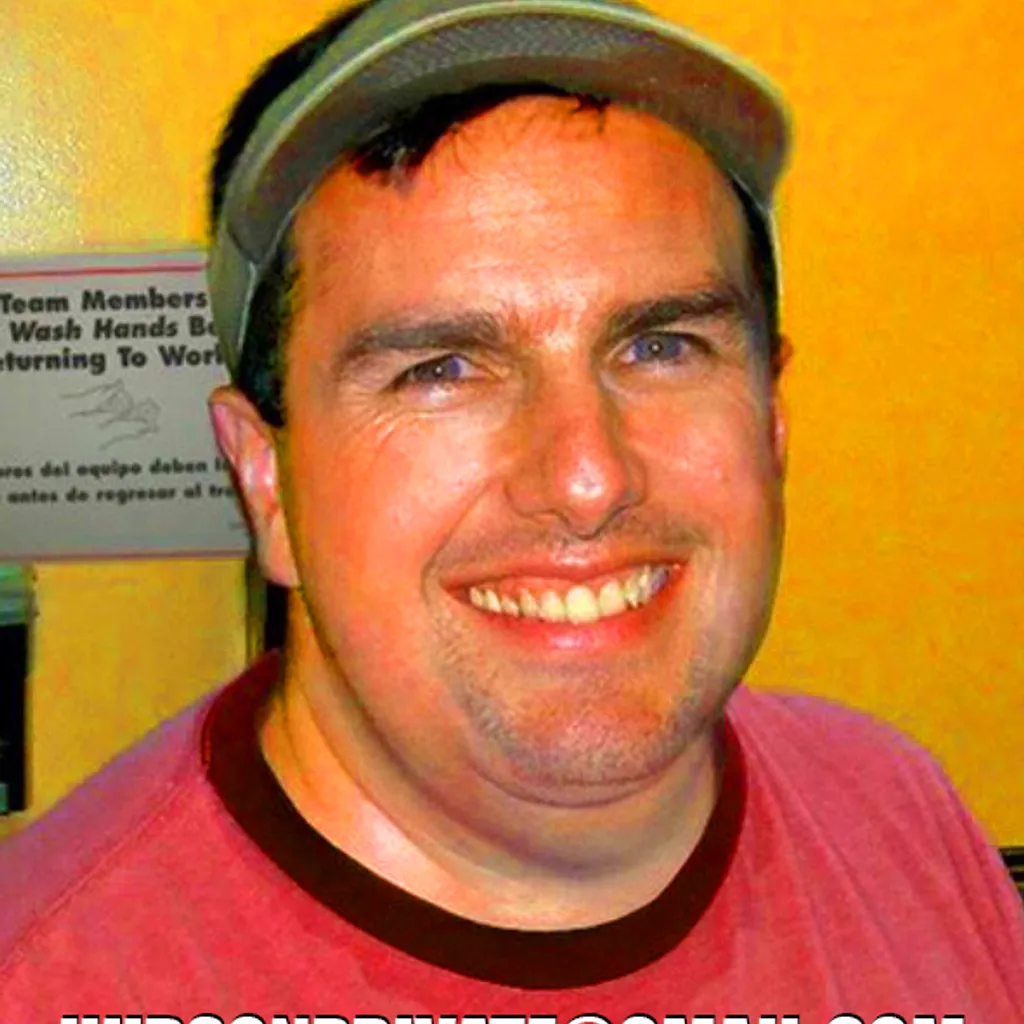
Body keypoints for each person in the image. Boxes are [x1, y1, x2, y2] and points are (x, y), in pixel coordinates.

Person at [1, 0, 1022, 1020]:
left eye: (660, 347)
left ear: (772, 421)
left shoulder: (896, 818)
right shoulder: (49, 976)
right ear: (266, 479)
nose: (586, 477)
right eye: (442, 369)